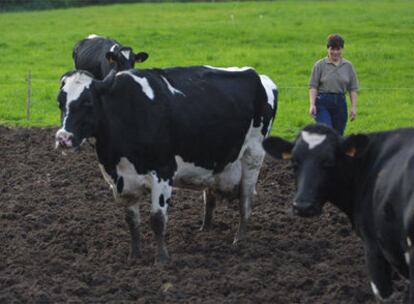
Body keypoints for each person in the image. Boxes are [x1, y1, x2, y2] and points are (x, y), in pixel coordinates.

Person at [309, 34, 359, 135]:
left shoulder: (348, 66)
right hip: (322, 102)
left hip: (340, 103)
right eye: (332, 49)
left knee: (338, 135)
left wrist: (353, 107)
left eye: (338, 49)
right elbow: (313, 86)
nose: (335, 52)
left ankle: (334, 151)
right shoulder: (319, 65)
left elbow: (353, 88)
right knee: (327, 131)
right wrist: (312, 104)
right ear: (327, 49)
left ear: (342, 49)